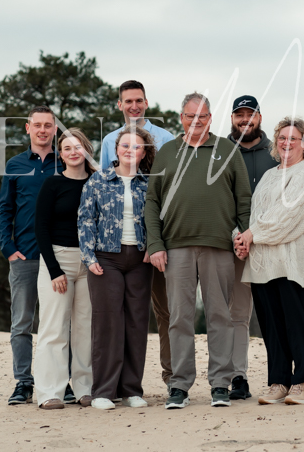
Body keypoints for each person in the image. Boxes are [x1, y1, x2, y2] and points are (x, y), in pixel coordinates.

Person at [145, 92, 252, 410]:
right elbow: (152, 201)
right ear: (182, 118)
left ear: (210, 118)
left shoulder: (228, 150)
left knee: (220, 316)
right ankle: (179, 385)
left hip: (219, 247)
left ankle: (220, 384)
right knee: (179, 317)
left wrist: (245, 236)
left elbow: (243, 198)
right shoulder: (167, 152)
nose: (196, 121)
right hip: (175, 248)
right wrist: (155, 244)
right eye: (191, 116)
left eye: (202, 116)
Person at [234, 116, 304, 406]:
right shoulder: (269, 175)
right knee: (272, 327)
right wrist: (242, 239)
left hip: (294, 262)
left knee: (298, 324)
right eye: (282, 138)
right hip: (264, 262)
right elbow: (255, 215)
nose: (286, 143)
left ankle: (303, 382)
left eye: (293, 138)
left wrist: (252, 234)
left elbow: (288, 215)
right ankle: (279, 381)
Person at [99, 80, 175, 387]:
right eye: (128, 101)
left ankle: (172, 378)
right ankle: (117, 381)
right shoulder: (109, 141)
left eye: (139, 100)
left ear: (146, 103)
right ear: (119, 105)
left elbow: (173, 187)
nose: (134, 106)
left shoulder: (167, 138)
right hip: (121, 244)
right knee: (120, 313)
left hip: (161, 239)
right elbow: (104, 186)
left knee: (166, 310)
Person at [77, 126, 157, 411]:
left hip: (140, 260)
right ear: (116, 149)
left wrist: (153, 246)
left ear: (144, 153)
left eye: (137, 147)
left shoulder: (149, 184)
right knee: (108, 323)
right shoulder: (98, 180)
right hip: (106, 259)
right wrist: (89, 257)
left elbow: (158, 219)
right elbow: (86, 219)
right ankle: (103, 391)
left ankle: (131, 390)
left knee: (137, 323)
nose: (130, 151)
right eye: (125, 145)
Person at [0, 106, 65, 406]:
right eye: (37, 125)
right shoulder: (15, 165)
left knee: (61, 322)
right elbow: (4, 208)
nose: (42, 130)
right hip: (25, 255)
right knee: (22, 323)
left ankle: (64, 381)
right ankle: (24, 382)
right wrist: (8, 248)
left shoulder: (65, 161)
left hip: (60, 255)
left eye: (48, 125)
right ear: (28, 128)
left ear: (55, 129)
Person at [33, 128, 96, 409]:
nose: (73, 152)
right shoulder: (53, 184)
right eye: (67, 148)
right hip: (59, 260)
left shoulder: (97, 183)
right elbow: (41, 227)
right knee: (54, 327)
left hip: (90, 262)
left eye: (77, 146)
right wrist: (54, 269)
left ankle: (85, 388)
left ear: (87, 150)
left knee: (85, 328)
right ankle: (50, 392)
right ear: (61, 154)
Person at [226, 94, 279, 401]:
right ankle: (238, 378)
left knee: (278, 314)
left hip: (272, 245)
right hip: (235, 246)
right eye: (239, 114)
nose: (245, 119)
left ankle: (283, 376)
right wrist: (238, 235)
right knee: (237, 315)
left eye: (251, 114)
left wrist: (258, 234)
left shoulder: (276, 153)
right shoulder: (220, 152)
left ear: (260, 117)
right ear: (232, 118)